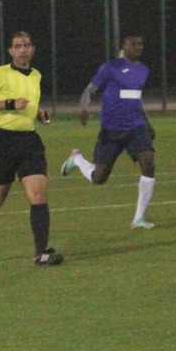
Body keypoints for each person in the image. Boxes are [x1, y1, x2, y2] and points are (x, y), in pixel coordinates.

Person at [0, 30, 63, 266]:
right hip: (2, 142)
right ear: (11, 51)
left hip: (29, 141)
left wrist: (40, 114)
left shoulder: (36, 75)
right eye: (18, 46)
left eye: (27, 45)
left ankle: (41, 253)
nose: (23, 49)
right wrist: (10, 104)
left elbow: (30, 105)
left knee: (38, 193)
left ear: (33, 49)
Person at [61, 31, 157, 229]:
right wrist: (84, 108)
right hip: (111, 130)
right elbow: (89, 90)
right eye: (134, 44)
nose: (138, 47)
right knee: (99, 177)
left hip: (136, 128)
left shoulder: (143, 70)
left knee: (149, 165)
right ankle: (77, 159)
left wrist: (147, 123)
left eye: (140, 44)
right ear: (124, 45)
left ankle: (139, 218)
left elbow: (135, 98)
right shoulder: (110, 67)